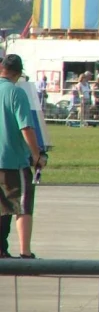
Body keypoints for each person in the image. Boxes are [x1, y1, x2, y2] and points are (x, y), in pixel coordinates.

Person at [0, 54, 47, 259]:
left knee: (1, 207)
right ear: (18, 73)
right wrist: (36, 155)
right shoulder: (16, 93)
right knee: (22, 206)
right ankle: (25, 253)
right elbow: (25, 127)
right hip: (12, 159)